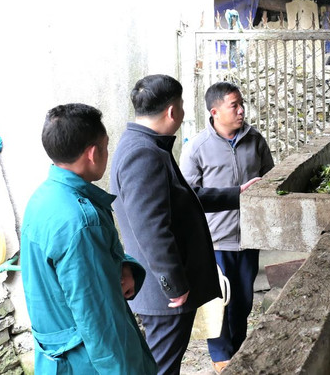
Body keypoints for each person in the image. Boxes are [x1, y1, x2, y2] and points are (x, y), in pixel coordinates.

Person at [109, 74, 257, 374]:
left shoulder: (146, 143)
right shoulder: (143, 153)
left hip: (166, 293)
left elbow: (183, 200)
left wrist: (235, 194)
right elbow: (152, 228)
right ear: (173, 111)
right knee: (161, 367)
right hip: (165, 297)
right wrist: (174, 285)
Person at [20, 103, 157, 374]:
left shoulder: (43, 198)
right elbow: (99, 320)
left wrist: (123, 266)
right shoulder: (81, 222)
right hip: (88, 362)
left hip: (56, 357)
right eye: (106, 146)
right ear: (93, 153)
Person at [180, 81, 274, 373]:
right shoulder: (197, 148)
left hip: (248, 239)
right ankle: (222, 361)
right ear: (215, 111)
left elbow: (271, 179)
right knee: (217, 303)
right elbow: (188, 196)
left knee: (242, 304)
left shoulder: (255, 140)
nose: (241, 110)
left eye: (241, 103)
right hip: (215, 242)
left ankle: (239, 354)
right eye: (234, 105)